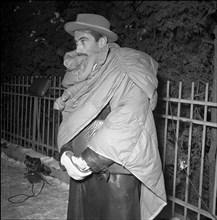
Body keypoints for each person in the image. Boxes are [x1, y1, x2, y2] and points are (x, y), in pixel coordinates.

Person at [57, 13, 167, 220]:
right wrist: (66, 150)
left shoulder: (127, 65)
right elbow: (74, 114)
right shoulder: (90, 71)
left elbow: (129, 116)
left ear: (102, 41)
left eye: (83, 41)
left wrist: (88, 160)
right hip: (80, 164)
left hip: (114, 167)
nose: (78, 49)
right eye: (76, 42)